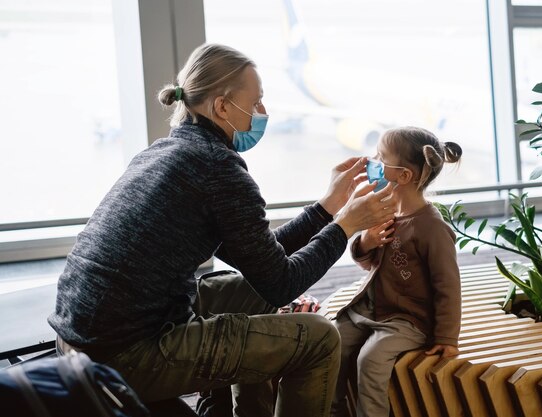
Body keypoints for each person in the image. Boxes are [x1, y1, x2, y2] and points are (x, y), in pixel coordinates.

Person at [48, 43, 398, 417]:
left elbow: (262, 263)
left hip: (81, 338)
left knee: (257, 295)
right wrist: (345, 227)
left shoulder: (165, 151)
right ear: (222, 107)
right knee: (319, 339)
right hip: (122, 356)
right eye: (258, 101)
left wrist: (327, 208)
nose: (263, 112)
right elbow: (283, 283)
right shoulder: (220, 169)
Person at [330, 127, 463, 417]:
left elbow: (448, 286)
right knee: (332, 344)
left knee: (371, 359)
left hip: (408, 319)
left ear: (404, 176)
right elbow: (370, 264)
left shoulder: (432, 228)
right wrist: (367, 241)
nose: (372, 162)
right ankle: (333, 409)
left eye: (381, 157)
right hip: (375, 307)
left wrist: (447, 338)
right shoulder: (385, 210)